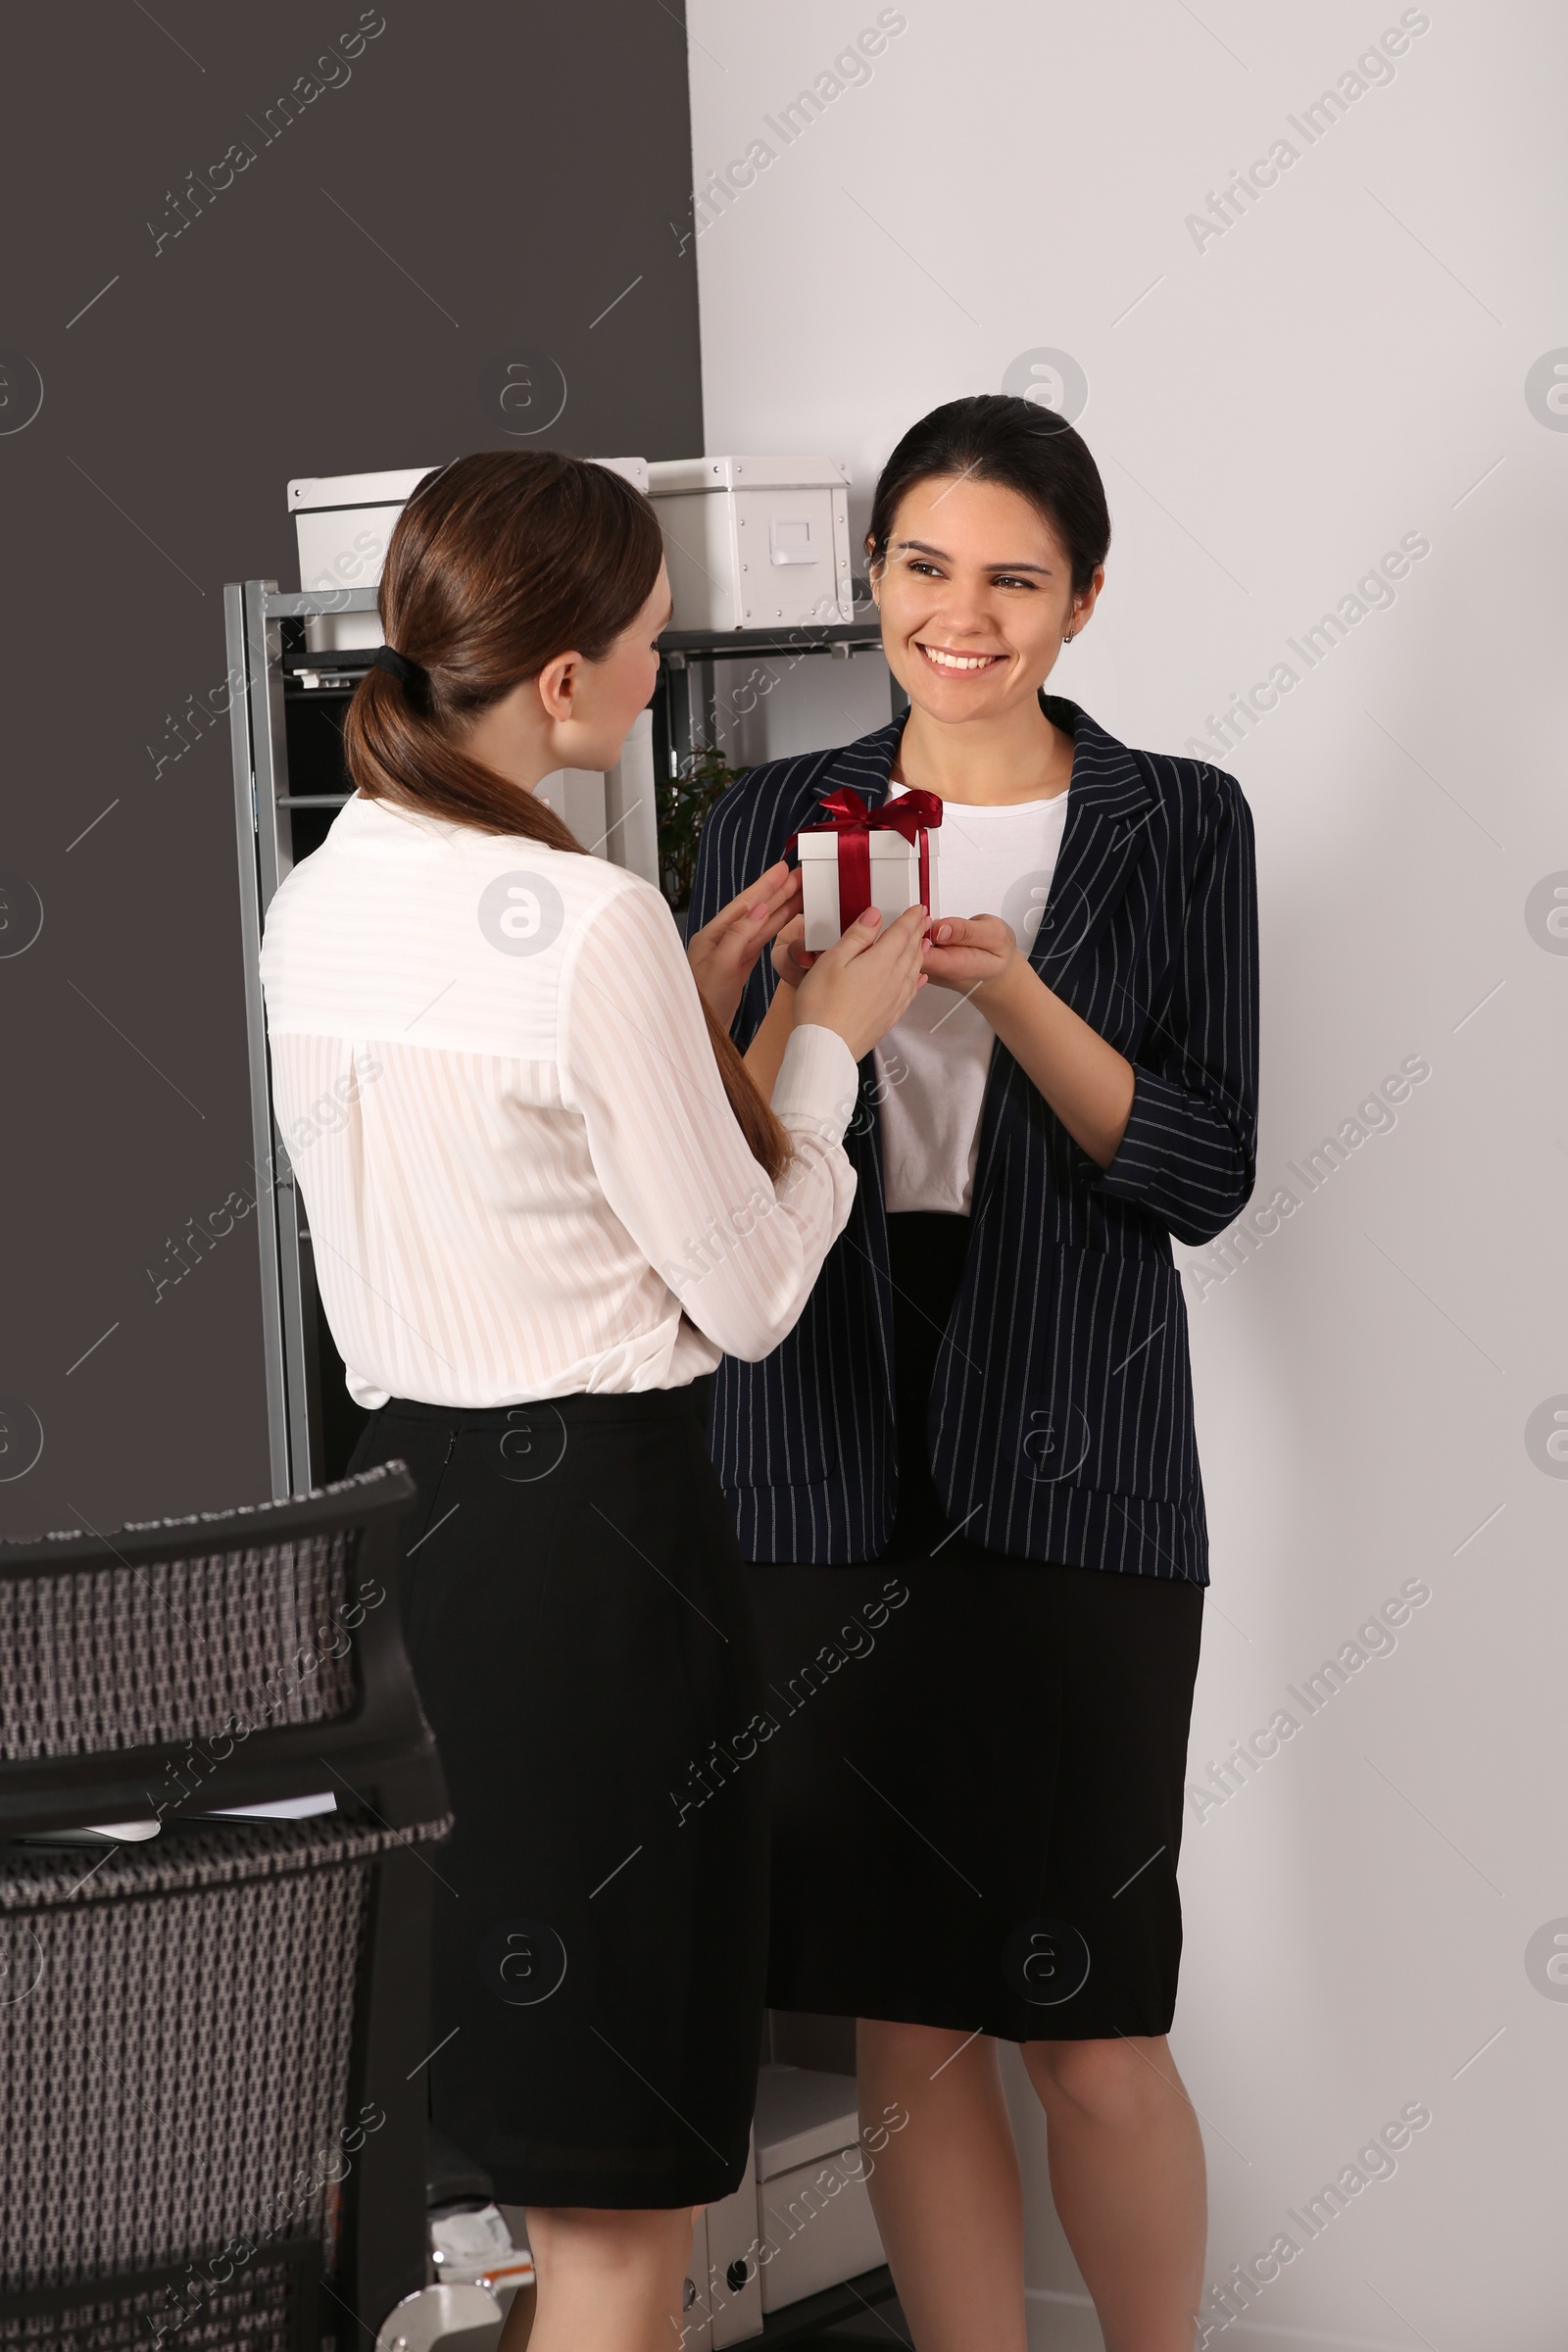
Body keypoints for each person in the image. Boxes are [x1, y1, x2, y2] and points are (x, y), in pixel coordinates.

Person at [257, 450, 927, 2352]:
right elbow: (747, 1293)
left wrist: (692, 1031)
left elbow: (513, 1203)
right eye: (641, 647)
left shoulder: (322, 902)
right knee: (629, 2216)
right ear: (558, 680)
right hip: (606, 1577)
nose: (653, 674)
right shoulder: (583, 924)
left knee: (536, 2186)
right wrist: (816, 1056)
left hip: (426, 1571)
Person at [687, 395, 1259, 2352]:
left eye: (1012, 575)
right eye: (921, 565)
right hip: (820, 1451)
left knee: (1089, 2023)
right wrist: (751, 1015)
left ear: (1080, 598)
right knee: (907, 2020)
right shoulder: (768, 816)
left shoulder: (1174, 820)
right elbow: (718, 1165)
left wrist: (1009, 988)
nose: (960, 611)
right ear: (869, 581)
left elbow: (1196, 1168)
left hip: (1076, 1450)